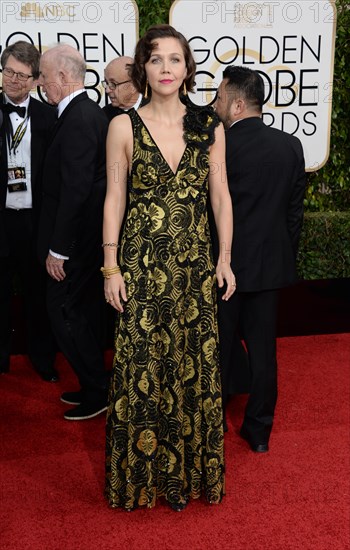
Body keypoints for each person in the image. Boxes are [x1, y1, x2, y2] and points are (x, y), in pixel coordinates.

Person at [102, 24, 235, 511]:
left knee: (191, 366)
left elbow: (220, 197)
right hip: (140, 264)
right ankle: (140, 478)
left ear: (187, 69)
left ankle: (188, 477)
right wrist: (110, 266)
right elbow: (114, 199)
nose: (165, 69)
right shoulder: (123, 126)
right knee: (141, 364)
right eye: (155, 60)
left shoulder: (209, 126)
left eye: (174, 59)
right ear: (143, 67)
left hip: (195, 266)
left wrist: (225, 259)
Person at [214, 66, 306, 452]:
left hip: (225, 268)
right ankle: (259, 432)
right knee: (264, 352)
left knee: (216, 348)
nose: (214, 105)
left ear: (236, 105)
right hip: (269, 267)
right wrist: (281, 255)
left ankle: (212, 424)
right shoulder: (290, 145)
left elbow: (209, 210)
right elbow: (294, 214)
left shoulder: (219, 147)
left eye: (219, 98)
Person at [37, 44, 110, 420]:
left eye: (44, 78)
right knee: (74, 312)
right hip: (80, 240)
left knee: (65, 311)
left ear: (63, 78)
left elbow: (77, 190)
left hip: (75, 244)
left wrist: (59, 250)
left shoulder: (80, 118)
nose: (40, 85)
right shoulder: (80, 113)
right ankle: (92, 384)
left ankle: (98, 389)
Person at [0, 41, 58, 381]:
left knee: (39, 293)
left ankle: (42, 358)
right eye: (9, 72)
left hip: (36, 220)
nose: (14, 81)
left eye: (23, 76)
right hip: (2, 218)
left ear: (36, 80)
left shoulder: (49, 117)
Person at [102, 56, 145, 121]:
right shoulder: (104, 115)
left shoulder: (156, 111)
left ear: (133, 86)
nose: (107, 90)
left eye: (113, 84)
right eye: (106, 83)